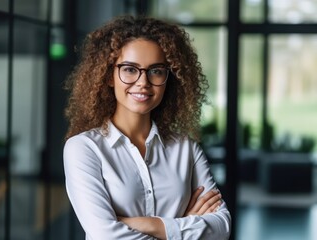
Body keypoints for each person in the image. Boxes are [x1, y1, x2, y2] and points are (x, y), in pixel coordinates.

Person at [63, 15, 231, 240]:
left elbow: (221, 227)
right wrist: (181, 226)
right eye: (130, 69)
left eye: (156, 71)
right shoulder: (83, 149)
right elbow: (106, 235)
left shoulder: (185, 148)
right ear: (109, 76)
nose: (143, 82)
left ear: (168, 78)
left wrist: (147, 224)